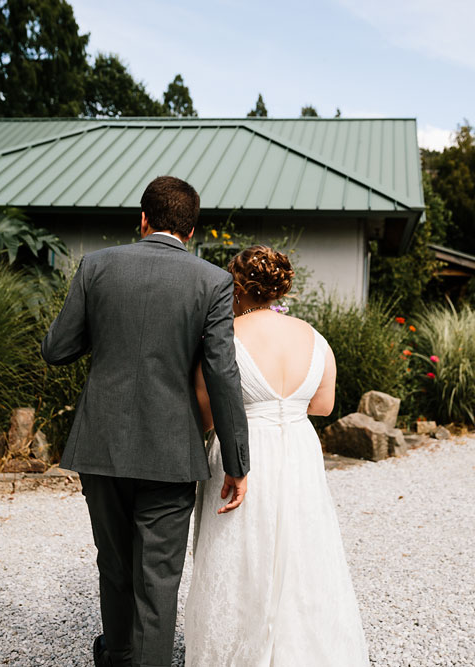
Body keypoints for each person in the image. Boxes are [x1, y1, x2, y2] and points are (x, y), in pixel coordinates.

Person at [40, 176, 250, 667]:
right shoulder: (212, 281)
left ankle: (116, 656)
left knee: (113, 563)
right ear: (192, 230)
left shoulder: (96, 266)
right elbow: (223, 372)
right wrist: (237, 461)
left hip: (101, 444)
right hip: (171, 451)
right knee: (158, 575)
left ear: (143, 219)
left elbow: (57, 350)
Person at [184, 245, 369, 666]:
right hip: (299, 449)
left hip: (244, 449)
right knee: (301, 546)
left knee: (240, 548)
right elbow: (322, 406)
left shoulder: (224, 336)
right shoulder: (315, 338)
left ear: (235, 286)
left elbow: (204, 413)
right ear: (280, 287)